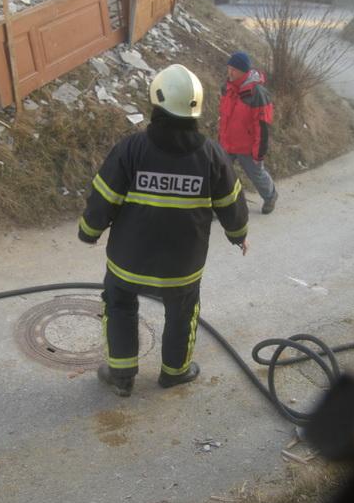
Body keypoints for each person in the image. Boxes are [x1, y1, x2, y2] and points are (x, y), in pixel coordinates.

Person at [78, 64, 249, 397]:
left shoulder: (131, 149)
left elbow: (103, 198)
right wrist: (238, 235)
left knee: (119, 305)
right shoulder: (211, 154)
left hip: (128, 261)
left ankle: (121, 376)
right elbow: (231, 202)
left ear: (156, 101)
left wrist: (89, 231)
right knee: (182, 313)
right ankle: (175, 373)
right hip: (182, 267)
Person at [219, 51, 278, 214]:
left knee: (256, 175)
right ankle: (220, 205)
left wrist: (259, 152)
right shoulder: (227, 88)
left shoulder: (257, 93)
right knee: (219, 174)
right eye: (229, 68)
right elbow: (224, 117)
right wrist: (221, 139)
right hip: (227, 143)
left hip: (248, 147)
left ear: (244, 72)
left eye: (234, 70)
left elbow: (262, 126)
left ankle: (270, 196)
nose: (230, 72)